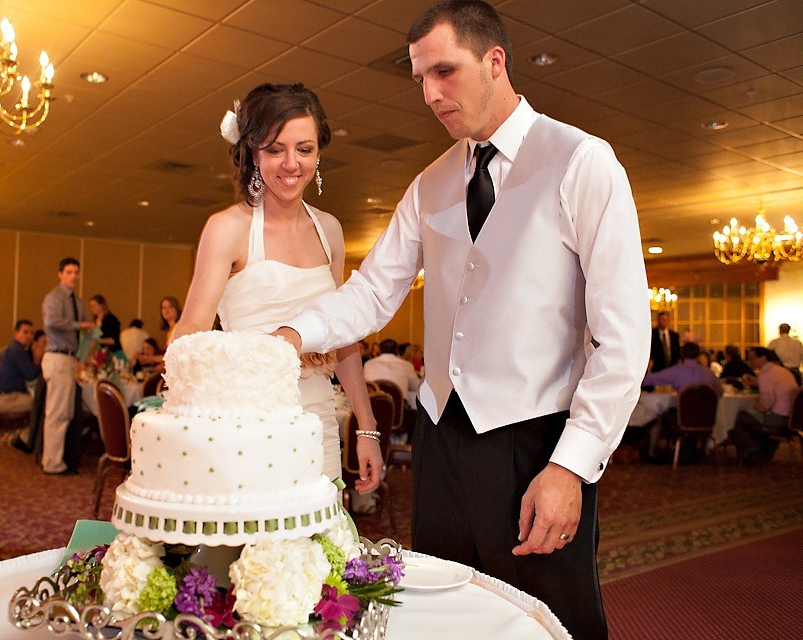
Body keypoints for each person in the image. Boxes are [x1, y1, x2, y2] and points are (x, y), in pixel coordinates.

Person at [273, 3, 650, 638]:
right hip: (442, 436)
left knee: (551, 620)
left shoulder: (583, 161)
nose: (430, 93)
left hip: (536, 442)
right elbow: (371, 290)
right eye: (420, 78)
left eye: (443, 72)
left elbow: (624, 335)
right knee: (449, 611)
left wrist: (573, 465)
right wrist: (292, 336)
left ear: (494, 61)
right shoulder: (431, 182)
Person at [173, 82, 382, 491]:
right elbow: (191, 329)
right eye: (275, 149)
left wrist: (366, 427)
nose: (291, 163)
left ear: (319, 153)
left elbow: (344, 337)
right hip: (248, 421)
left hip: (318, 418)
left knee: (318, 545)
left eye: (304, 149)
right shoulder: (227, 228)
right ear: (253, 152)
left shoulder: (330, 230)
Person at [41, 257, 93, 475]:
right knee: (57, 413)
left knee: (67, 413)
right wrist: (78, 325)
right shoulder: (54, 298)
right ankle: (52, 463)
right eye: (69, 272)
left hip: (70, 358)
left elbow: (83, 327)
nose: (73, 276)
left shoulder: (77, 301)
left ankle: (60, 459)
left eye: (76, 273)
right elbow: (51, 322)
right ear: (60, 274)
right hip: (57, 357)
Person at [640, 342, 722, 461]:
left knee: (659, 415)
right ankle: (696, 449)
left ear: (682, 354)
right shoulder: (709, 374)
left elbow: (647, 381)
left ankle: (654, 451)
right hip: (706, 420)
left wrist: (648, 368)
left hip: (683, 418)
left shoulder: (676, 371)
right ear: (698, 354)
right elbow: (719, 393)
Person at [729, 347, 799, 466]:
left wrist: (755, 409)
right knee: (750, 416)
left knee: (736, 417)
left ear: (763, 358)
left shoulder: (766, 374)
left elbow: (766, 403)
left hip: (778, 418)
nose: (750, 361)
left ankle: (752, 449)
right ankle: (761, 449)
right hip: (793, 417)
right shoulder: (782, 371)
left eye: (753, 358)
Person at [0, 319, 43, 415]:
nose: (29, 336)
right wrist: (40, 360)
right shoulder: (17, 350)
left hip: (1, 397)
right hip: (7, 399)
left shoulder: (12, 349)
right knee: (43, 403)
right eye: (25, 332)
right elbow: (31, 375)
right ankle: (32, 430)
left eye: (31, 333)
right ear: (15, 334)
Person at [363, 338, 420, 409]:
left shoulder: (368, 364)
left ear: (380, 350)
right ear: (397, 351)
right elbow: (416, 387)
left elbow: (366, 387)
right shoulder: (406, 365)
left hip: (374, 408)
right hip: (400, 409)